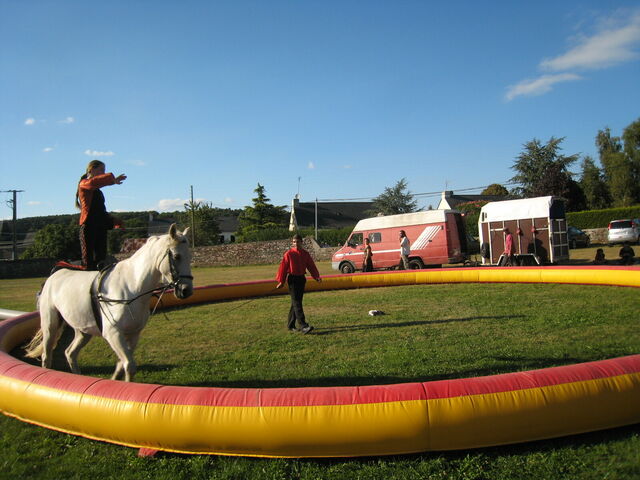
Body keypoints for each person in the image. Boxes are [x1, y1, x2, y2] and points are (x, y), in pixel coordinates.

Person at [76, 160, 127, 270]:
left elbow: (100, 211)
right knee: (88, 261)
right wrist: (112, 180)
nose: (103, 173)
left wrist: (115, 220)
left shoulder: (98, 191)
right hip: (88, 226)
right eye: (101, 170)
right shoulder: (83, 183)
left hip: (100, 226)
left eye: (104, 170)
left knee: (101, 259)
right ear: (91, 170)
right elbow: (93, 183)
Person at [276, 234, 322, 334]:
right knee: (297, 302)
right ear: (292, 243)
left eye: (298, 242)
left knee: (296, 302)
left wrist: (316, 277)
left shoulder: (305, 254)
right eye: (294, 242)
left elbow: (311, 266)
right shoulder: (288, 254)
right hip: (292, 280)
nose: (296, 244)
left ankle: (290, 325)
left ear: (301, 242)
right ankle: (303, 326)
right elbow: (283, 268)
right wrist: (281, 281)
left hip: (301, 279)